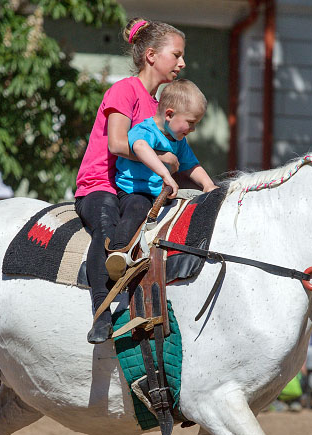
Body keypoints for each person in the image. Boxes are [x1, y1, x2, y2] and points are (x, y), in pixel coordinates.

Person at [74, 17, 187, 343]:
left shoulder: (159, 107)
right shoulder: (124, 90)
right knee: (108, 230)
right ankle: (101, 313)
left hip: (134, 190)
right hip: (100, 185)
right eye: (176, 54)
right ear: (151, 55)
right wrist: (164, 158)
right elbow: (117, 144)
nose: (182, 62)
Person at [105, 79, 218, 280]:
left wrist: (208, 185)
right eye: (191, 123)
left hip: (159, 193)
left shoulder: (178, 140)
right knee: (136, 209)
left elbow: (191, 165)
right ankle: (118, 252)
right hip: (134, 190)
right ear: (169, 114)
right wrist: (166, 174)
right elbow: (140, 147)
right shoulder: (146, 130)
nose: (193, 129)